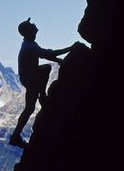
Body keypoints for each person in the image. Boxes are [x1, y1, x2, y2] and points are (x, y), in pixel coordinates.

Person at [9, 18, 77, 148]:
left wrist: (58, 59)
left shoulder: (29, 44)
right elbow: (47, 54)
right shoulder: (30, 46)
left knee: (29, 108)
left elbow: (45, 54)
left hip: (28, 77)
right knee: (46, 69)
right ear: (29, 31)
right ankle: (42, 95)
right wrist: (71, 48)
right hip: (31, 77)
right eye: (31, 25)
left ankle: (15, 136)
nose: (34, 25)